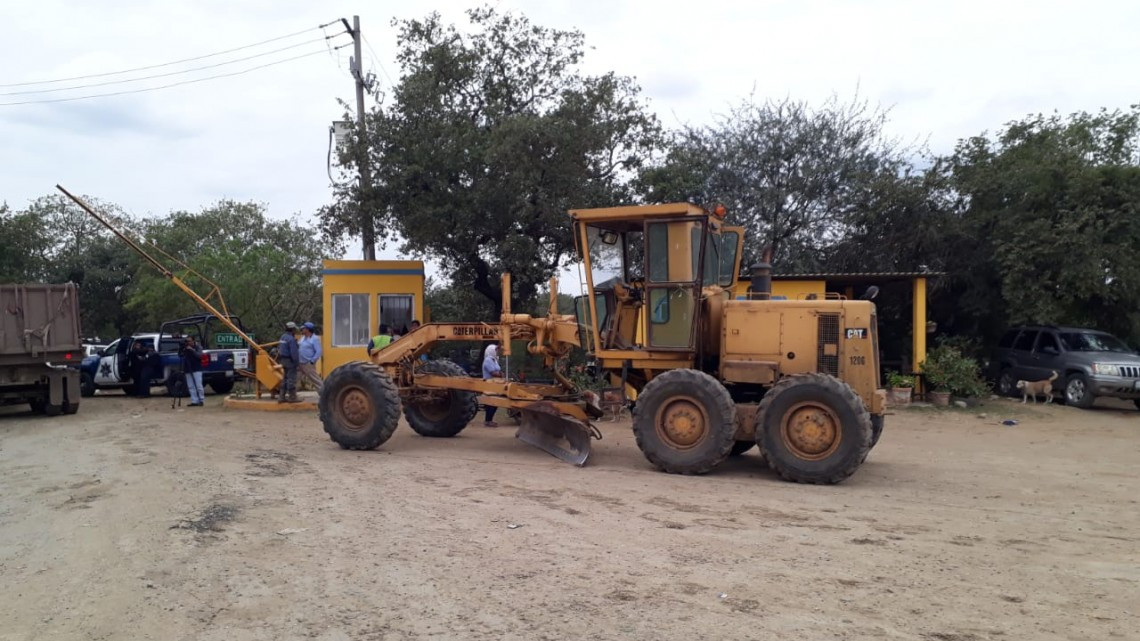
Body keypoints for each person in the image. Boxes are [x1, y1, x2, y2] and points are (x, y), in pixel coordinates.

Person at [482, 340, 503, 427]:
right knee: (491, 403)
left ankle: (490, 420)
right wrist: (500, 374)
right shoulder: (488, 360)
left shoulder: (494, 360)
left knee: (495, 403)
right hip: (489, 384)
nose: (497, 351)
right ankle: (488, 420)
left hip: (495, 384)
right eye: (496, 350)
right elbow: (493, 373)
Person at [297, 321, 323, 392]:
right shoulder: (302, 338)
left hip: (308, 363)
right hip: (300, 363)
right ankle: (292, 395)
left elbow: (319, 351)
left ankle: (324, 393)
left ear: (308, 329)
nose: (302, 329)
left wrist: (312, 361)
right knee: (295, 378)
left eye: (304, 328)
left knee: (315, 379)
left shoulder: (315, 339)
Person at [278, 321, 300, 403]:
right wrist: (296, 363)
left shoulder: (283, 337)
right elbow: (294, 353)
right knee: (291, 378)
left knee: (285, 378)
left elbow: (279, 349)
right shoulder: (291, 339)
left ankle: (281, 397)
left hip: (283, 360)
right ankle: (292, 397)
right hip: (290, 361)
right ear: (292, 329)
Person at [180, 336, 205, 407]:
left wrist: (192, 350)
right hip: (188, 368)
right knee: (191, 386)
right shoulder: (185, 347)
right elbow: (180, 355)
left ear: (193, 341)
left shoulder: (198, 347)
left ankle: (201, 400)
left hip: (197, 368)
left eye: (189, 341)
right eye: (187, 341)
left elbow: (199, 356)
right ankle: (194, 401)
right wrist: (181, 347)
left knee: (198, 385)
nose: (188, 342)